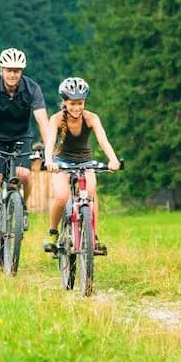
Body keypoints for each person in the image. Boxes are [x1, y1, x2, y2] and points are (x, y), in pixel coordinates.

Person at [0, 48, 51, 244]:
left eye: (17, 70)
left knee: (24, 174)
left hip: (21, 137)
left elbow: (42, 119)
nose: (13, 74)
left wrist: (48, 149)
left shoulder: (32, 88)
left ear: (21, 72)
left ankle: (23, 208)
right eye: (9, 70)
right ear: (1, 70)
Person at [42, 77, 121, 253]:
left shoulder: (91, 118)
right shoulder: (56, 119)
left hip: (85, 161)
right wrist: (48, 161)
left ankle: (93, 235)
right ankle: (53, 232)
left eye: (80, 103)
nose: (77, 108)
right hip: (61, 162)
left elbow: (103, 140)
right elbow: (50, 142)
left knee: (91, 194)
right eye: (72, 104)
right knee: (62, 196)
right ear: (64, 102)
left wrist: (113, 159)